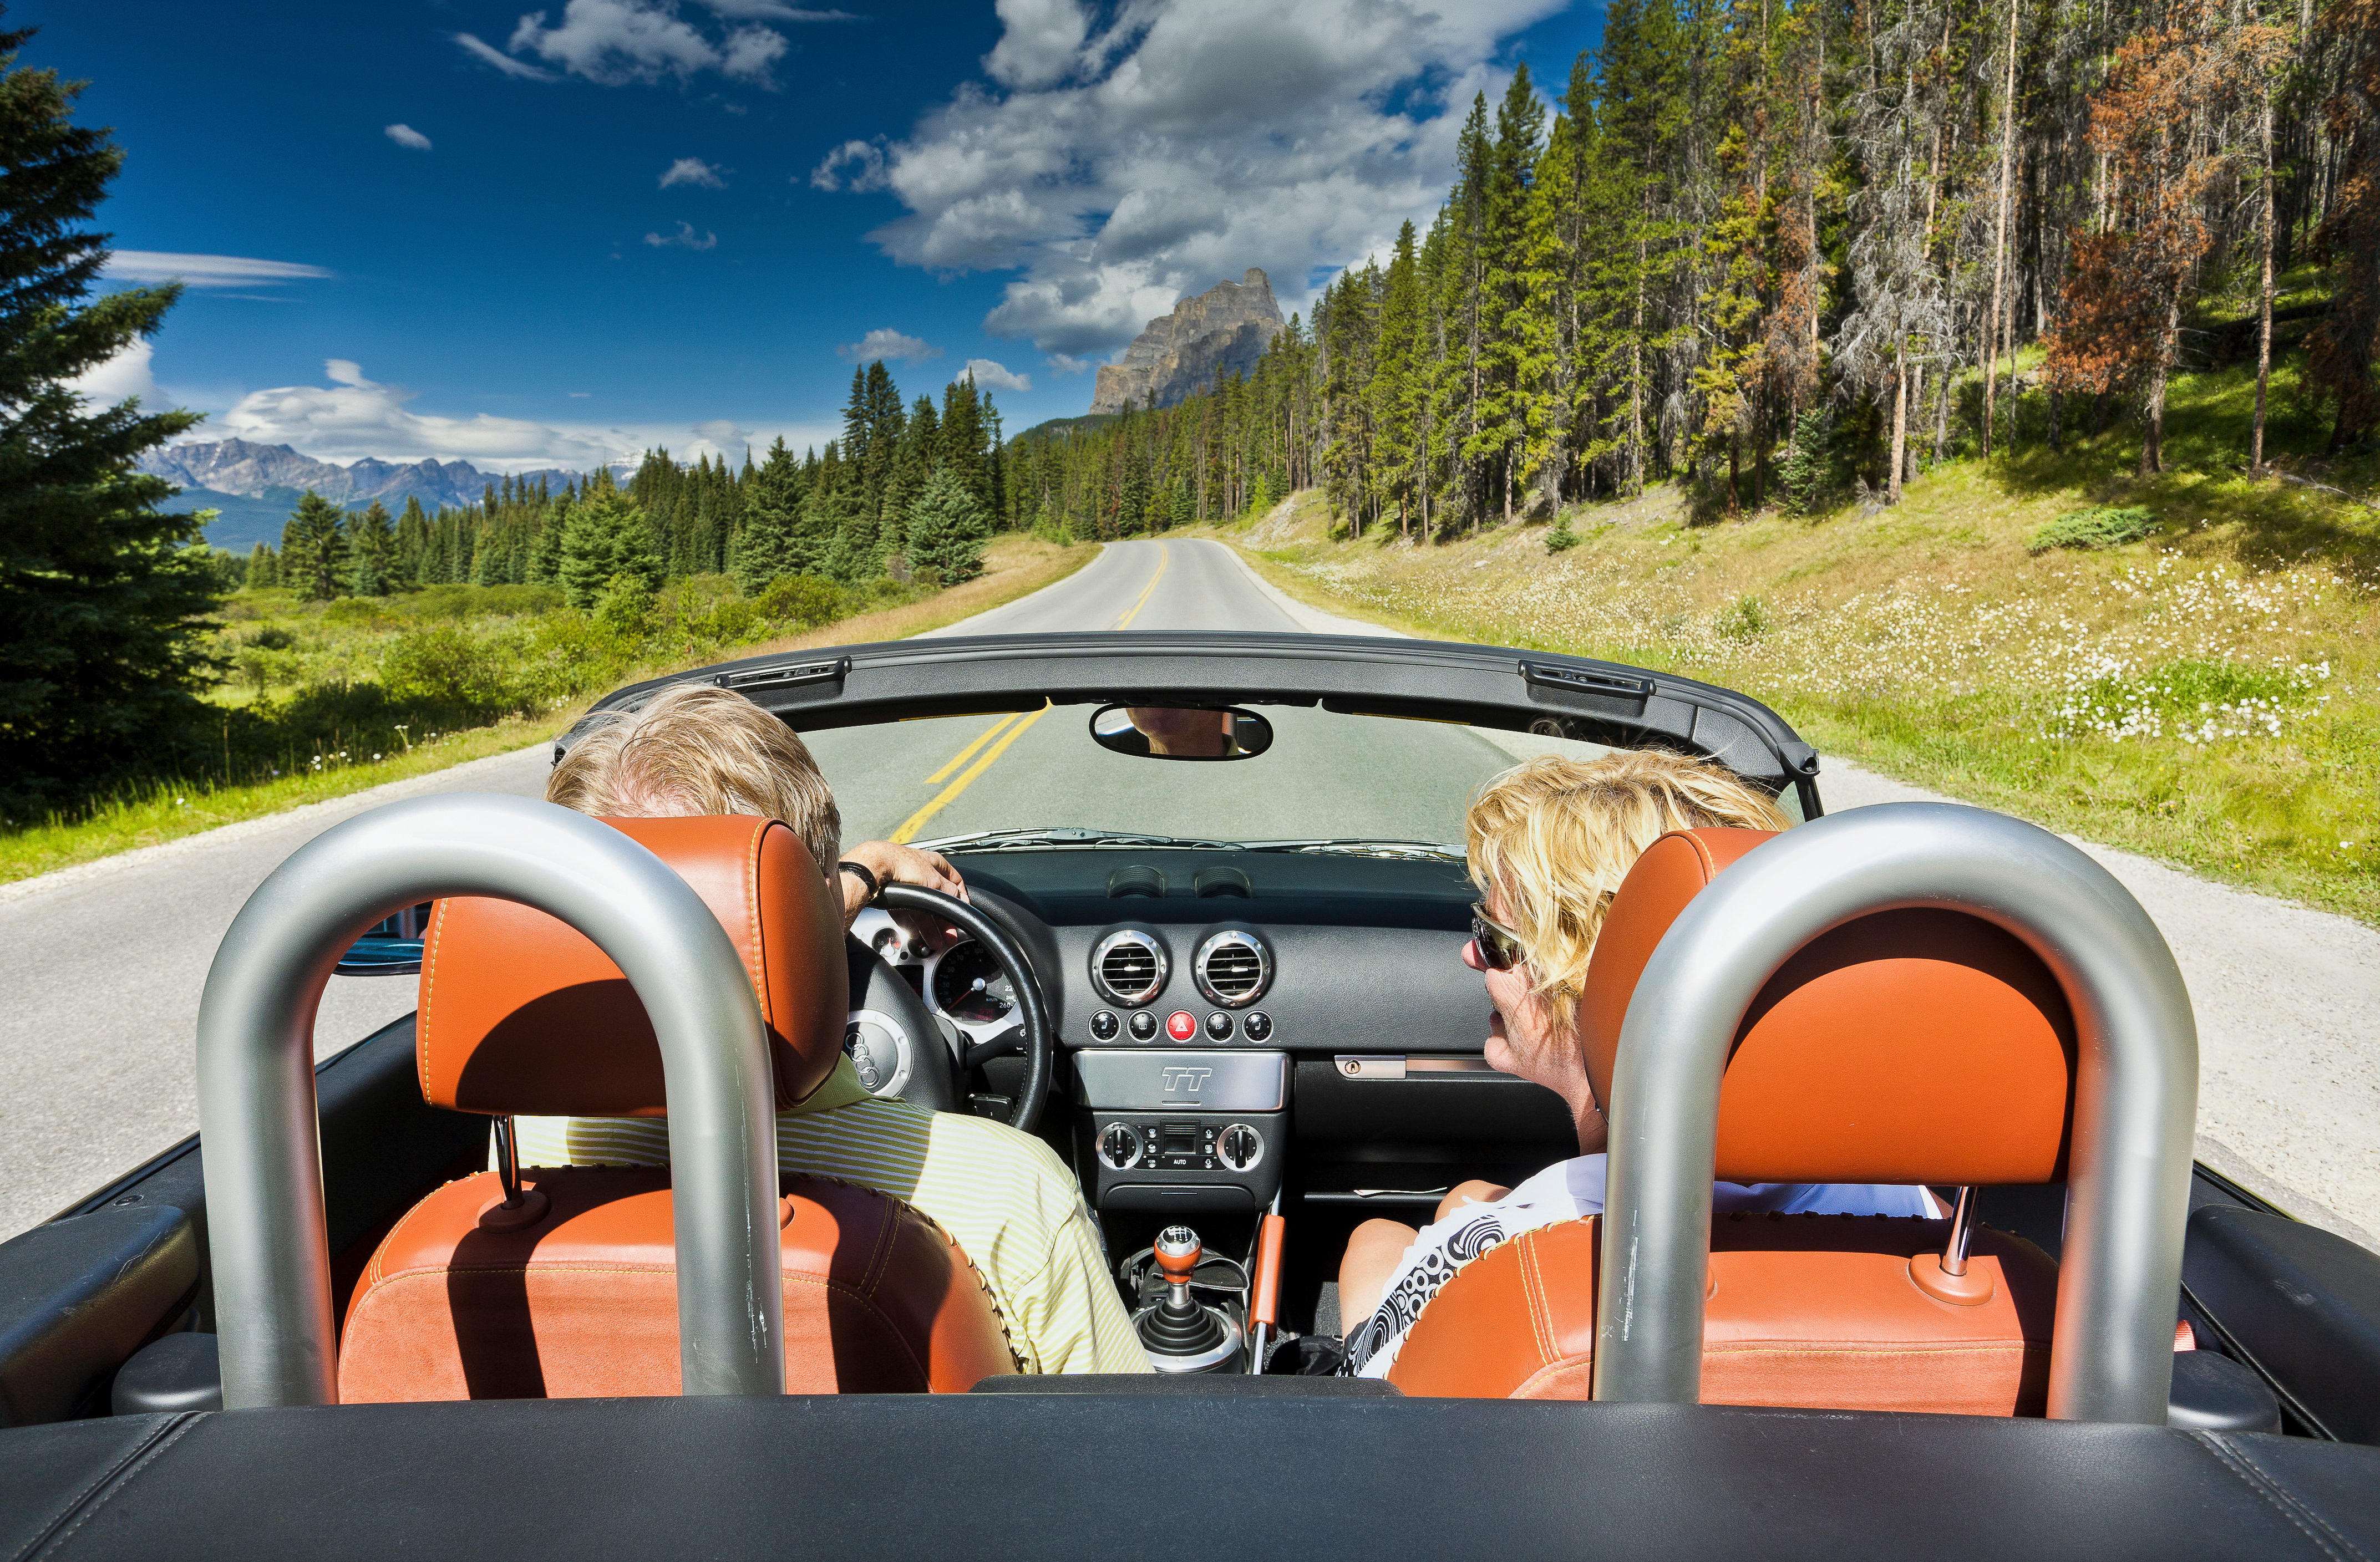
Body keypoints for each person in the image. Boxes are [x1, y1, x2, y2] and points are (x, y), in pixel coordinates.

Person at [518, 683, 1150, 1376]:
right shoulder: (1010, 1196)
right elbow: (1126, 1464)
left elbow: (708, 939)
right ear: (813, 904)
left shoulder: (522, 1159)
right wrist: (845, 877)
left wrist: (865, 873)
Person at [1334, 749, 1937, 1381]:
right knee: (1465, 1197)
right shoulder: (1924, 1217)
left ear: (1592, 985)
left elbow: (1378, 1412)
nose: (1470, 956)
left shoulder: (1505, 1263)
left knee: (1373, 1238)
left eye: (1494, 939)